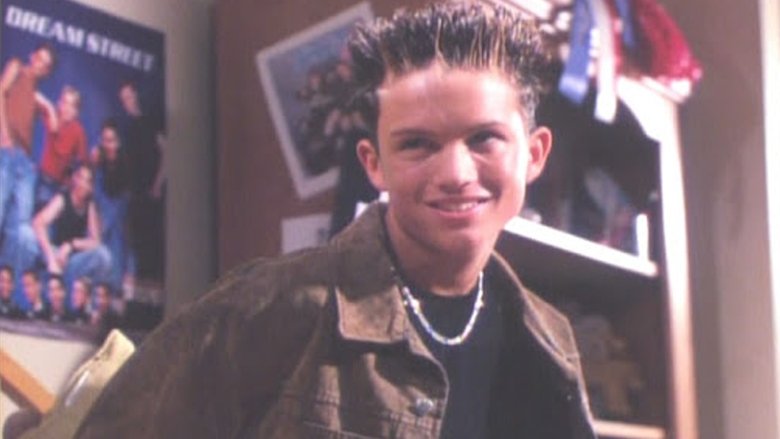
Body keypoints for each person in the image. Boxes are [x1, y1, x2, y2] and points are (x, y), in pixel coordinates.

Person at [76, 3, 594, 438]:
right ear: (374, 164)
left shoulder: (550, 339)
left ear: (533, 154)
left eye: (484, 139)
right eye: (417, 144)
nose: (456, 174)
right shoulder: (268, 309)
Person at [0, 44, 57, 272]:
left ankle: (5, 280)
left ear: (48, 71)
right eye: (39, 59)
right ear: (32, 56)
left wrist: (49, 106)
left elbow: (54, 127)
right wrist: (4, 134)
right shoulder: (17, 67)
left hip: (25, 161)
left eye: (46, 65)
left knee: (20, 227)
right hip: (7, 151)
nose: (40, 65)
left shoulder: (36, 95)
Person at [30, 163, 112, 286]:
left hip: (73, 258)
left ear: (91, 187)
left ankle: (88, 293)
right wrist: (51, 258)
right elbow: (38, 223)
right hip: (55, 252)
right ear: (74, 179)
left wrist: (70, 245)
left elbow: (96, 241)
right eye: (80, 178)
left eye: (87, 181)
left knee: (103, 255)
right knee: (26, 237)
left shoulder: (89, 205)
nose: (82, 184)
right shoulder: (63, 198)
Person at [118, 81, 165, 282]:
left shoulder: (150, 122)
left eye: (129, 96)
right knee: (134, 238)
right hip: (134, 194)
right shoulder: (127, 129)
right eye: (123, 99)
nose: (127, 102)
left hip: (151, 192)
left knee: (152, 238)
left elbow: (166, 153)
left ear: (136, 95)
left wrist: (158, 184)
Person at [91, 119, 133, 293]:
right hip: (103, 205)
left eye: (111, 140)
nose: (108, 145)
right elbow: (96, 192)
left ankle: (115, 284)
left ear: (118, 141)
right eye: (105, 140)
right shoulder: (99, 158)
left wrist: (106, 220)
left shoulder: (125, 161)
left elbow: (124, 195)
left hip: (119, 206)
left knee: (115, 232)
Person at [36, 85, 88, 210]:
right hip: (45, 177)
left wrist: (73, 180)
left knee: (56, 216)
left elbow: (83, 160)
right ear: (59, 104)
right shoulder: (52, 116)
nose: (67, 109)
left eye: (72, 105)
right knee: (41, 210)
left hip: (62, 186)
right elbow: (35, 96)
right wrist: (49, 107)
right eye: (65, 103)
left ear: (77, 112)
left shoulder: (78, 130)